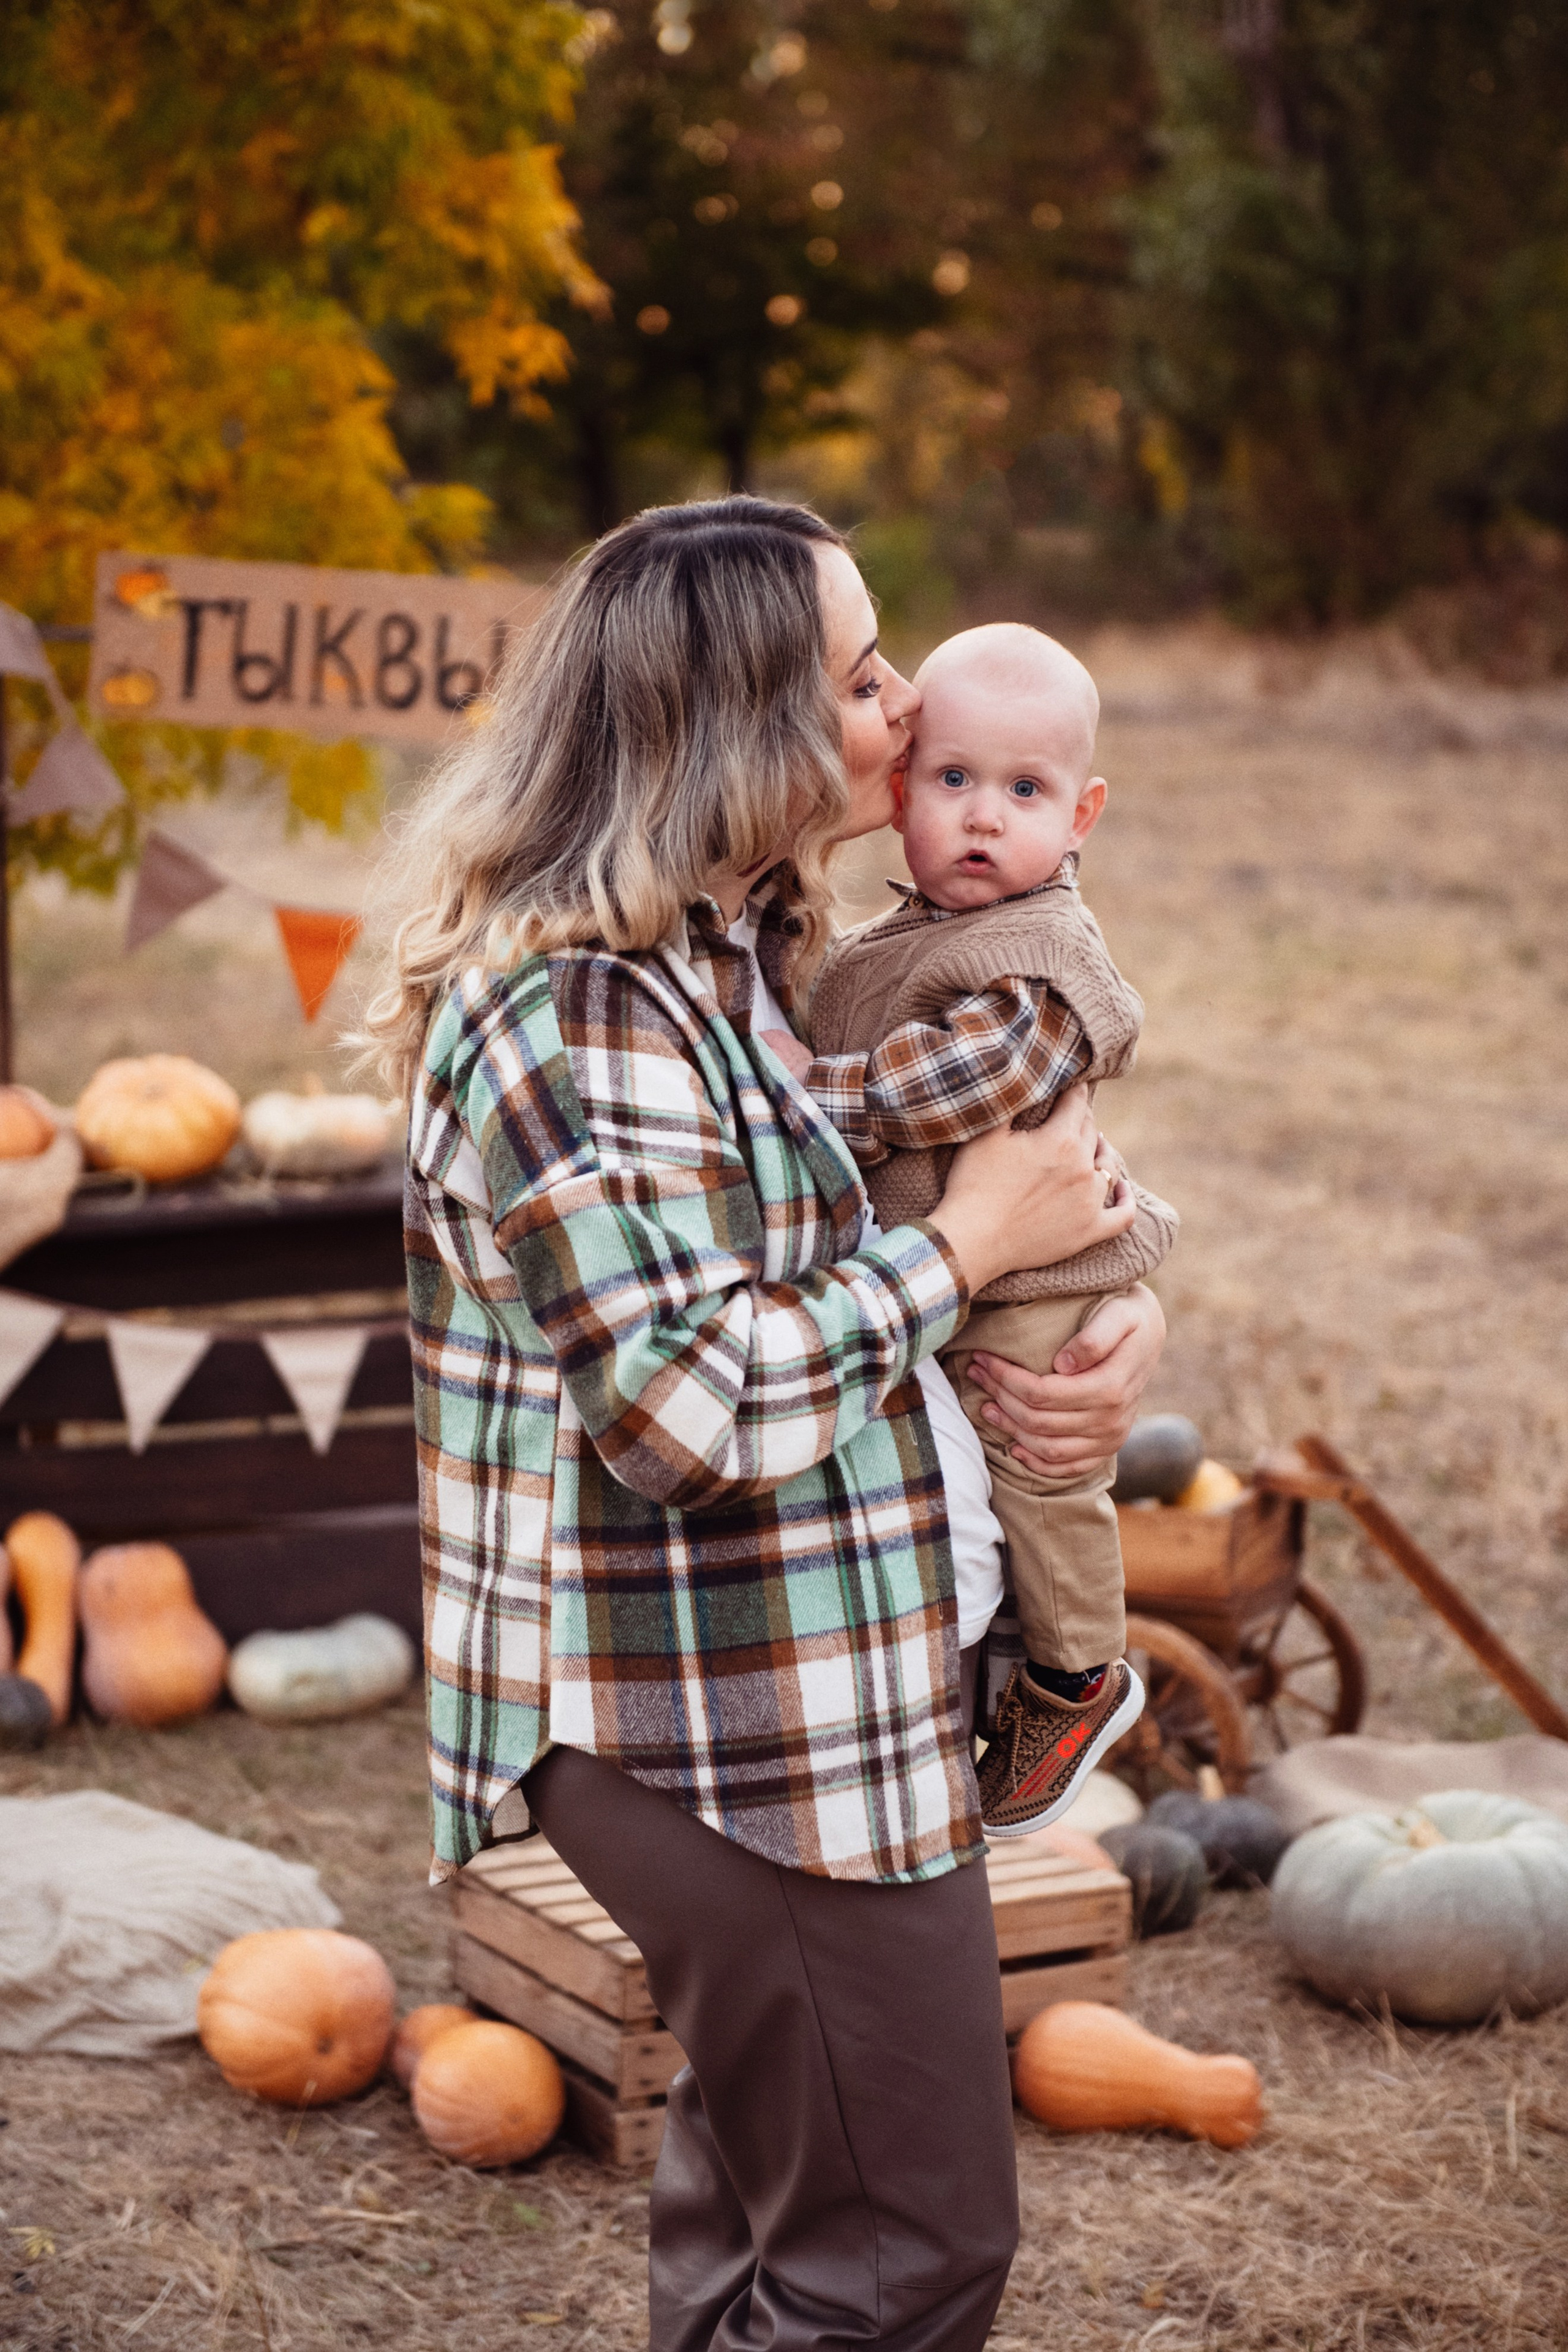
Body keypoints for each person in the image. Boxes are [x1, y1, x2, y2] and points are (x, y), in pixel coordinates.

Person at [368, 499, 1165, 2352]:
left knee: (768, 2202)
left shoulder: (731, 954)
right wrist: (971, 1251)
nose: (902, 706)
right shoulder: (572, 1012)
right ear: (740, 730)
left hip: (811, 1673)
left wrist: (1091, 1314)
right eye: (864, 674)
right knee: (903, 2257)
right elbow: (686, 1404)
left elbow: (911, 1210)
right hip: (722, 1725)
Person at [786, 622, 1175, 1839]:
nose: (982, 818)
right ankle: (1007, 1672)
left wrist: (811, 1100)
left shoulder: (1040, 957)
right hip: (951, 1278)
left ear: (1081, 814)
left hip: (1023, 1287)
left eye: (1023, 791)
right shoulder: (891, 939)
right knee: (986, 1474)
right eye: (952, 781)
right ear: (900, 790)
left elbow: (966, 1083)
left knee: (1035, 1459)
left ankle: (1074, 1678)